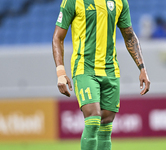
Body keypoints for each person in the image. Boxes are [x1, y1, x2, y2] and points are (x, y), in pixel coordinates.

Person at [52, 0, 150, 150]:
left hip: (110, 70)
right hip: (85, 69)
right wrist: (60, 72)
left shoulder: (120, 2)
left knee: (106, 124)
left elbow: (129, 35)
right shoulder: (73, 1)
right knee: (93, 117)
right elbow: (58, 37)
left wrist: (142, 68)